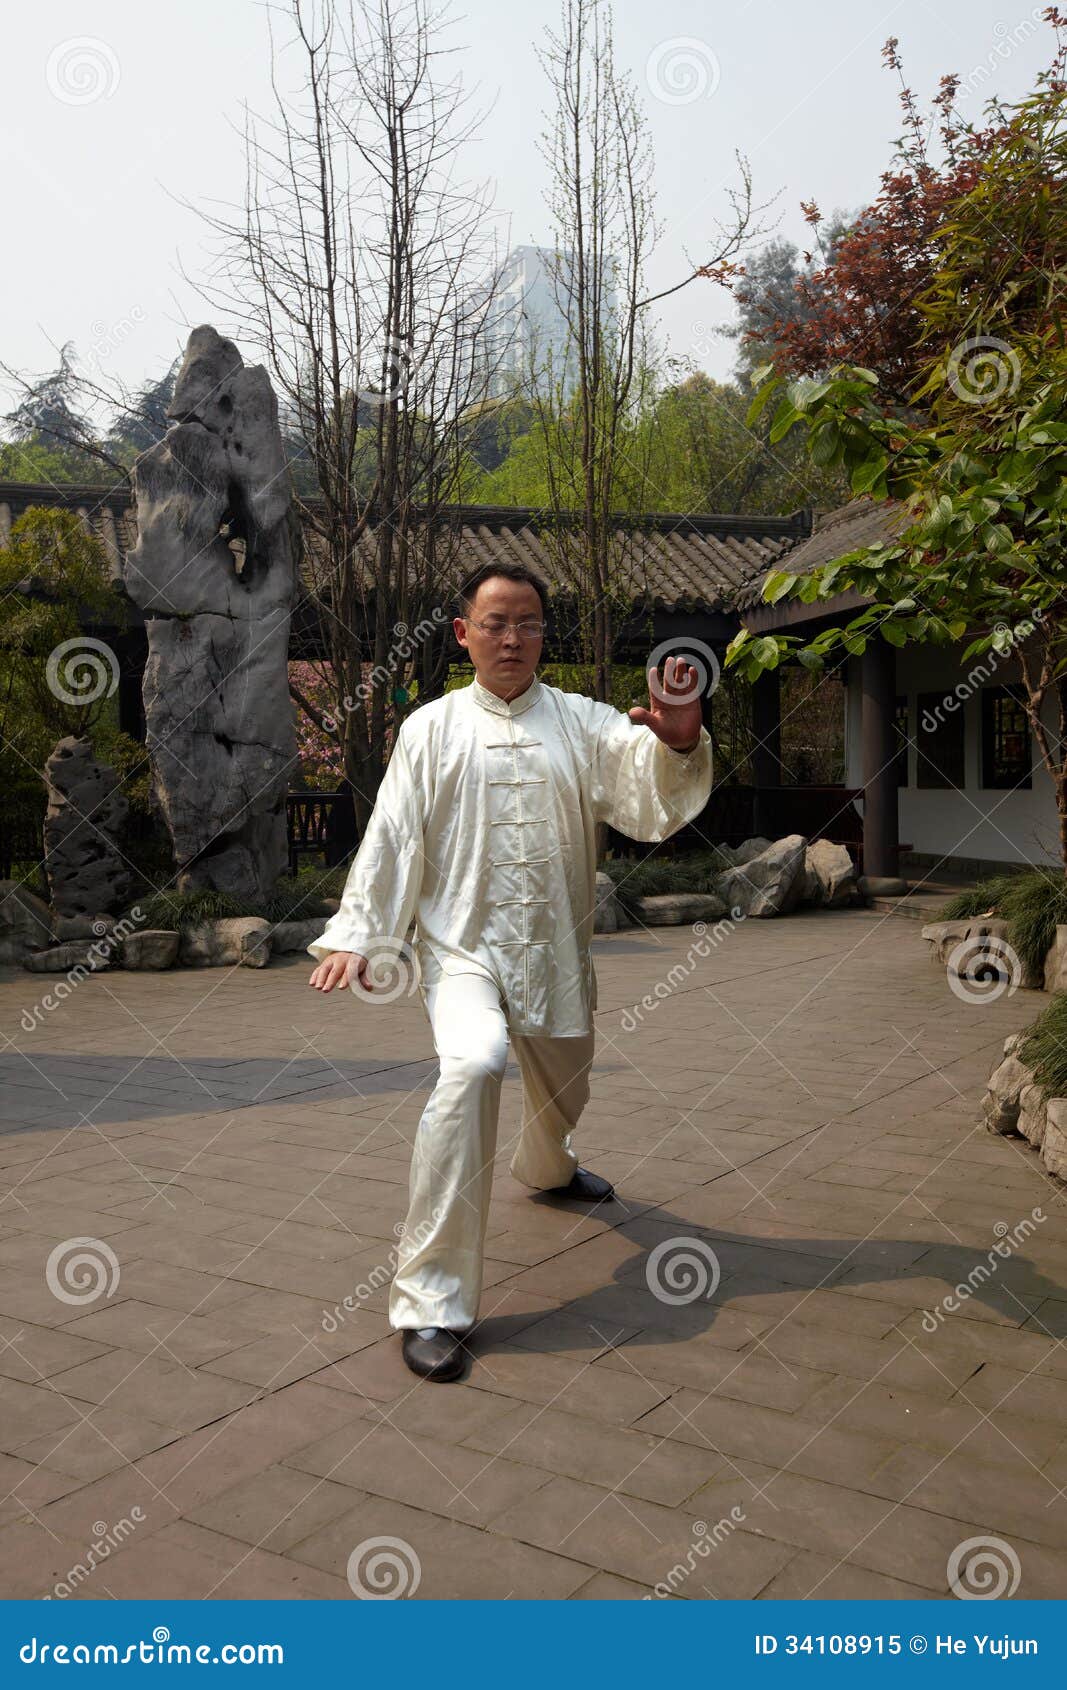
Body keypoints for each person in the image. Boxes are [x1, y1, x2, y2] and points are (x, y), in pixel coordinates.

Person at [307, 562, 713, 1382]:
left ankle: (551, 1166)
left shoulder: (582, 721)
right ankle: (432, 1303)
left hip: (557, 950)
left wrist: (676, 740)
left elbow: (644, 789)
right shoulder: (430, 728)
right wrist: (360, 932)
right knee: (474, 1064)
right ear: (463, 635)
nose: (511, 638)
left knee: (565, 1090)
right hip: (460, 951)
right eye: (494, 622)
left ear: (541, 635)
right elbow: (392, 833)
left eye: (527, 623)